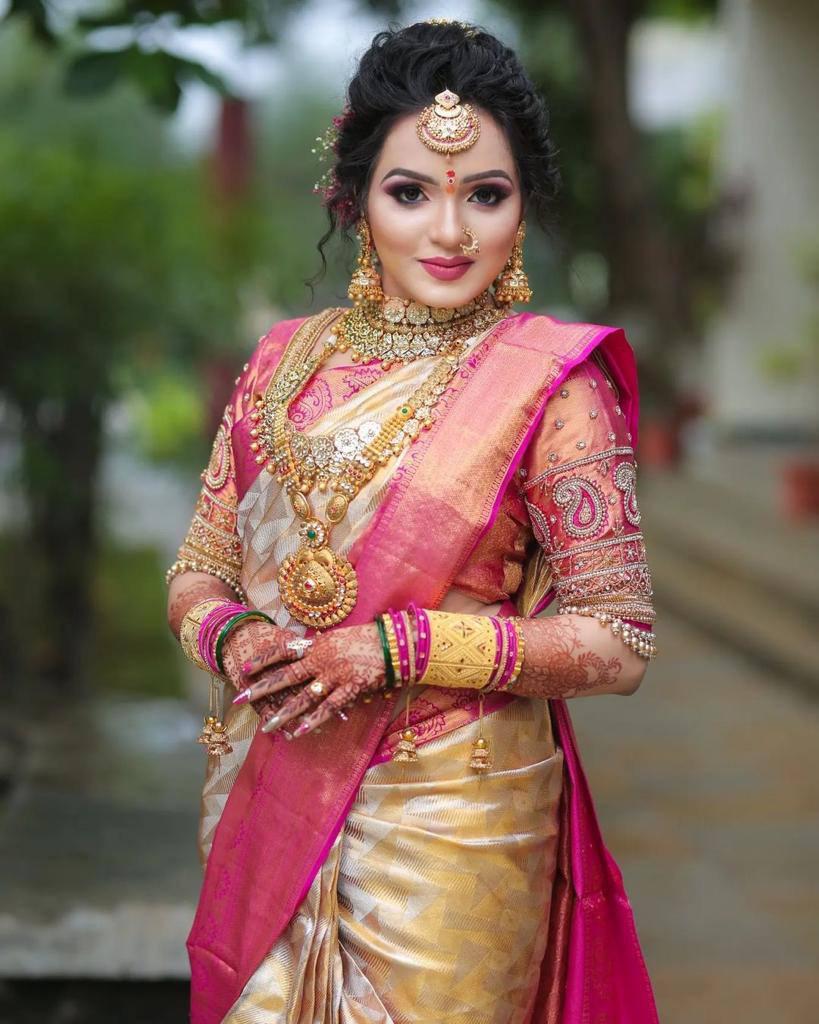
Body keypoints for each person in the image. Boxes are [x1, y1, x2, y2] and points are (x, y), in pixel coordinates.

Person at [167, 19, 660, 1024]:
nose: (449, 231)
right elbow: (197, 569)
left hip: (456, 823)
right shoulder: (282, 363)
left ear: (522, 207)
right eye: (410, 192)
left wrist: (396, 645)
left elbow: (618, 640)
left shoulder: (551, 391)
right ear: (353, 202)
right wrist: (238, 637)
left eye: (486, 193)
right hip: (273, 778)